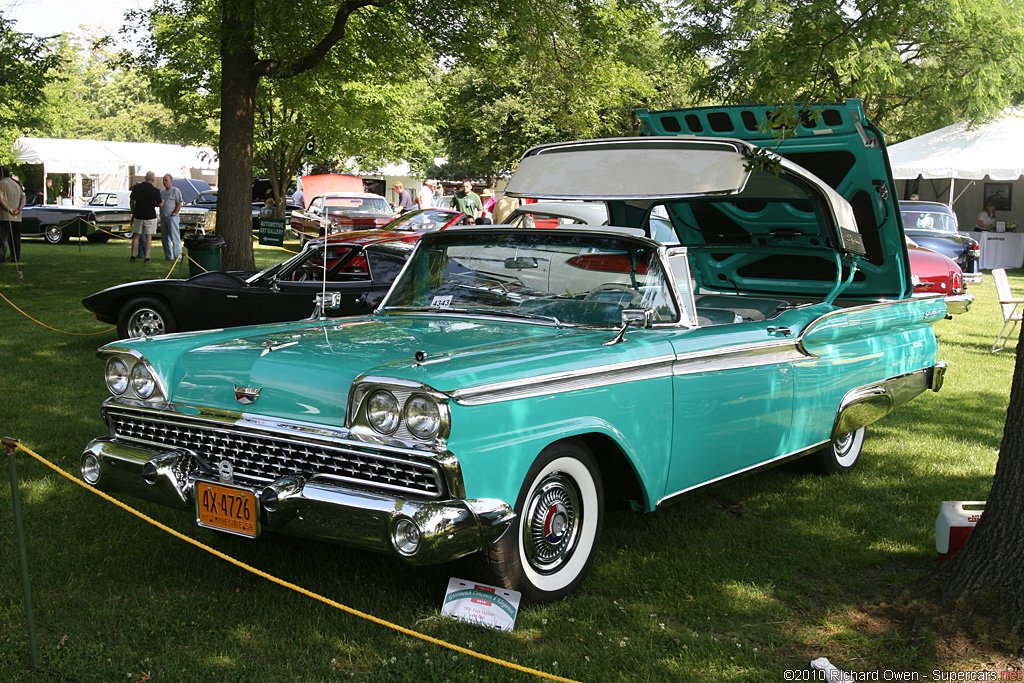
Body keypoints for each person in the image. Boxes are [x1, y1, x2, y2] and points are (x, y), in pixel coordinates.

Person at [130, 171, 163, 262]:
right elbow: (159, 204)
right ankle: (147, 257)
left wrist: (134, 212)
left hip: (138, 215)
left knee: (136, 236)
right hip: (150, 216)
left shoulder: (136, 188)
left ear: (145, 178)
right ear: (153, 180)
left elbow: (132, 200)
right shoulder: (155, 190)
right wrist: (161, 202)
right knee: (149, 237)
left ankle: (133, 256)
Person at [0, 165, 25, 263]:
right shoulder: (16, 185)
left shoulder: (1, 184)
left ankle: (1, 258)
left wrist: (9, 209)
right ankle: (15, 257)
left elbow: (0, 200)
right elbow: (23, 198)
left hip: (5, 216)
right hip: (17, 217)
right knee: (16, 239)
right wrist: (20, 208)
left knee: (3, 239)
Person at [159, 173, 184, 261]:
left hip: (172, 217)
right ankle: (168, 256)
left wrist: (174, 213)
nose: (165, 182)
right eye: (163, 180)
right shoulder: (162, 191)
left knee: (175, 237)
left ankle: (178, 256)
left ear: (171, 181)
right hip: (163, 217)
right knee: (165, 238)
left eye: (166, 180)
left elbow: (179, 203)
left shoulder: (175, 191)